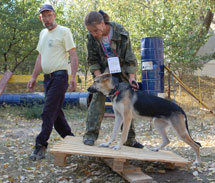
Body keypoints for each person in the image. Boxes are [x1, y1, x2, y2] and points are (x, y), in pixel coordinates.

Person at [83, 10, 143, 148]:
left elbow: (129, 57)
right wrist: (99, 78)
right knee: (97, 98)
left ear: (103, 24)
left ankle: (129, 139)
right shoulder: (91, 38)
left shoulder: (119, 31)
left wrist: (131, 78)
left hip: (121, 70)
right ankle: (90, 135)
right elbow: (92, 60)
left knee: (126, 103)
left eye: (96, 30)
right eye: (91, 31)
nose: (94, 34)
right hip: (104, 72)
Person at [27, 4, 79, 161]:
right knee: (55, 114)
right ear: (40, 18)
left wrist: (73, 77)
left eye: (49, 15)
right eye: (44, 16)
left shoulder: (64, 31)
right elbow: (40, 57)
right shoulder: (43, 33)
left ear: (54, 15)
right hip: (47, 78)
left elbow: (73, 55)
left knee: (48, 111)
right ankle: (69, 138)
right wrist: (34, 77)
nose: (47, 19)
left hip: (60, 77)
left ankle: (40, 145)